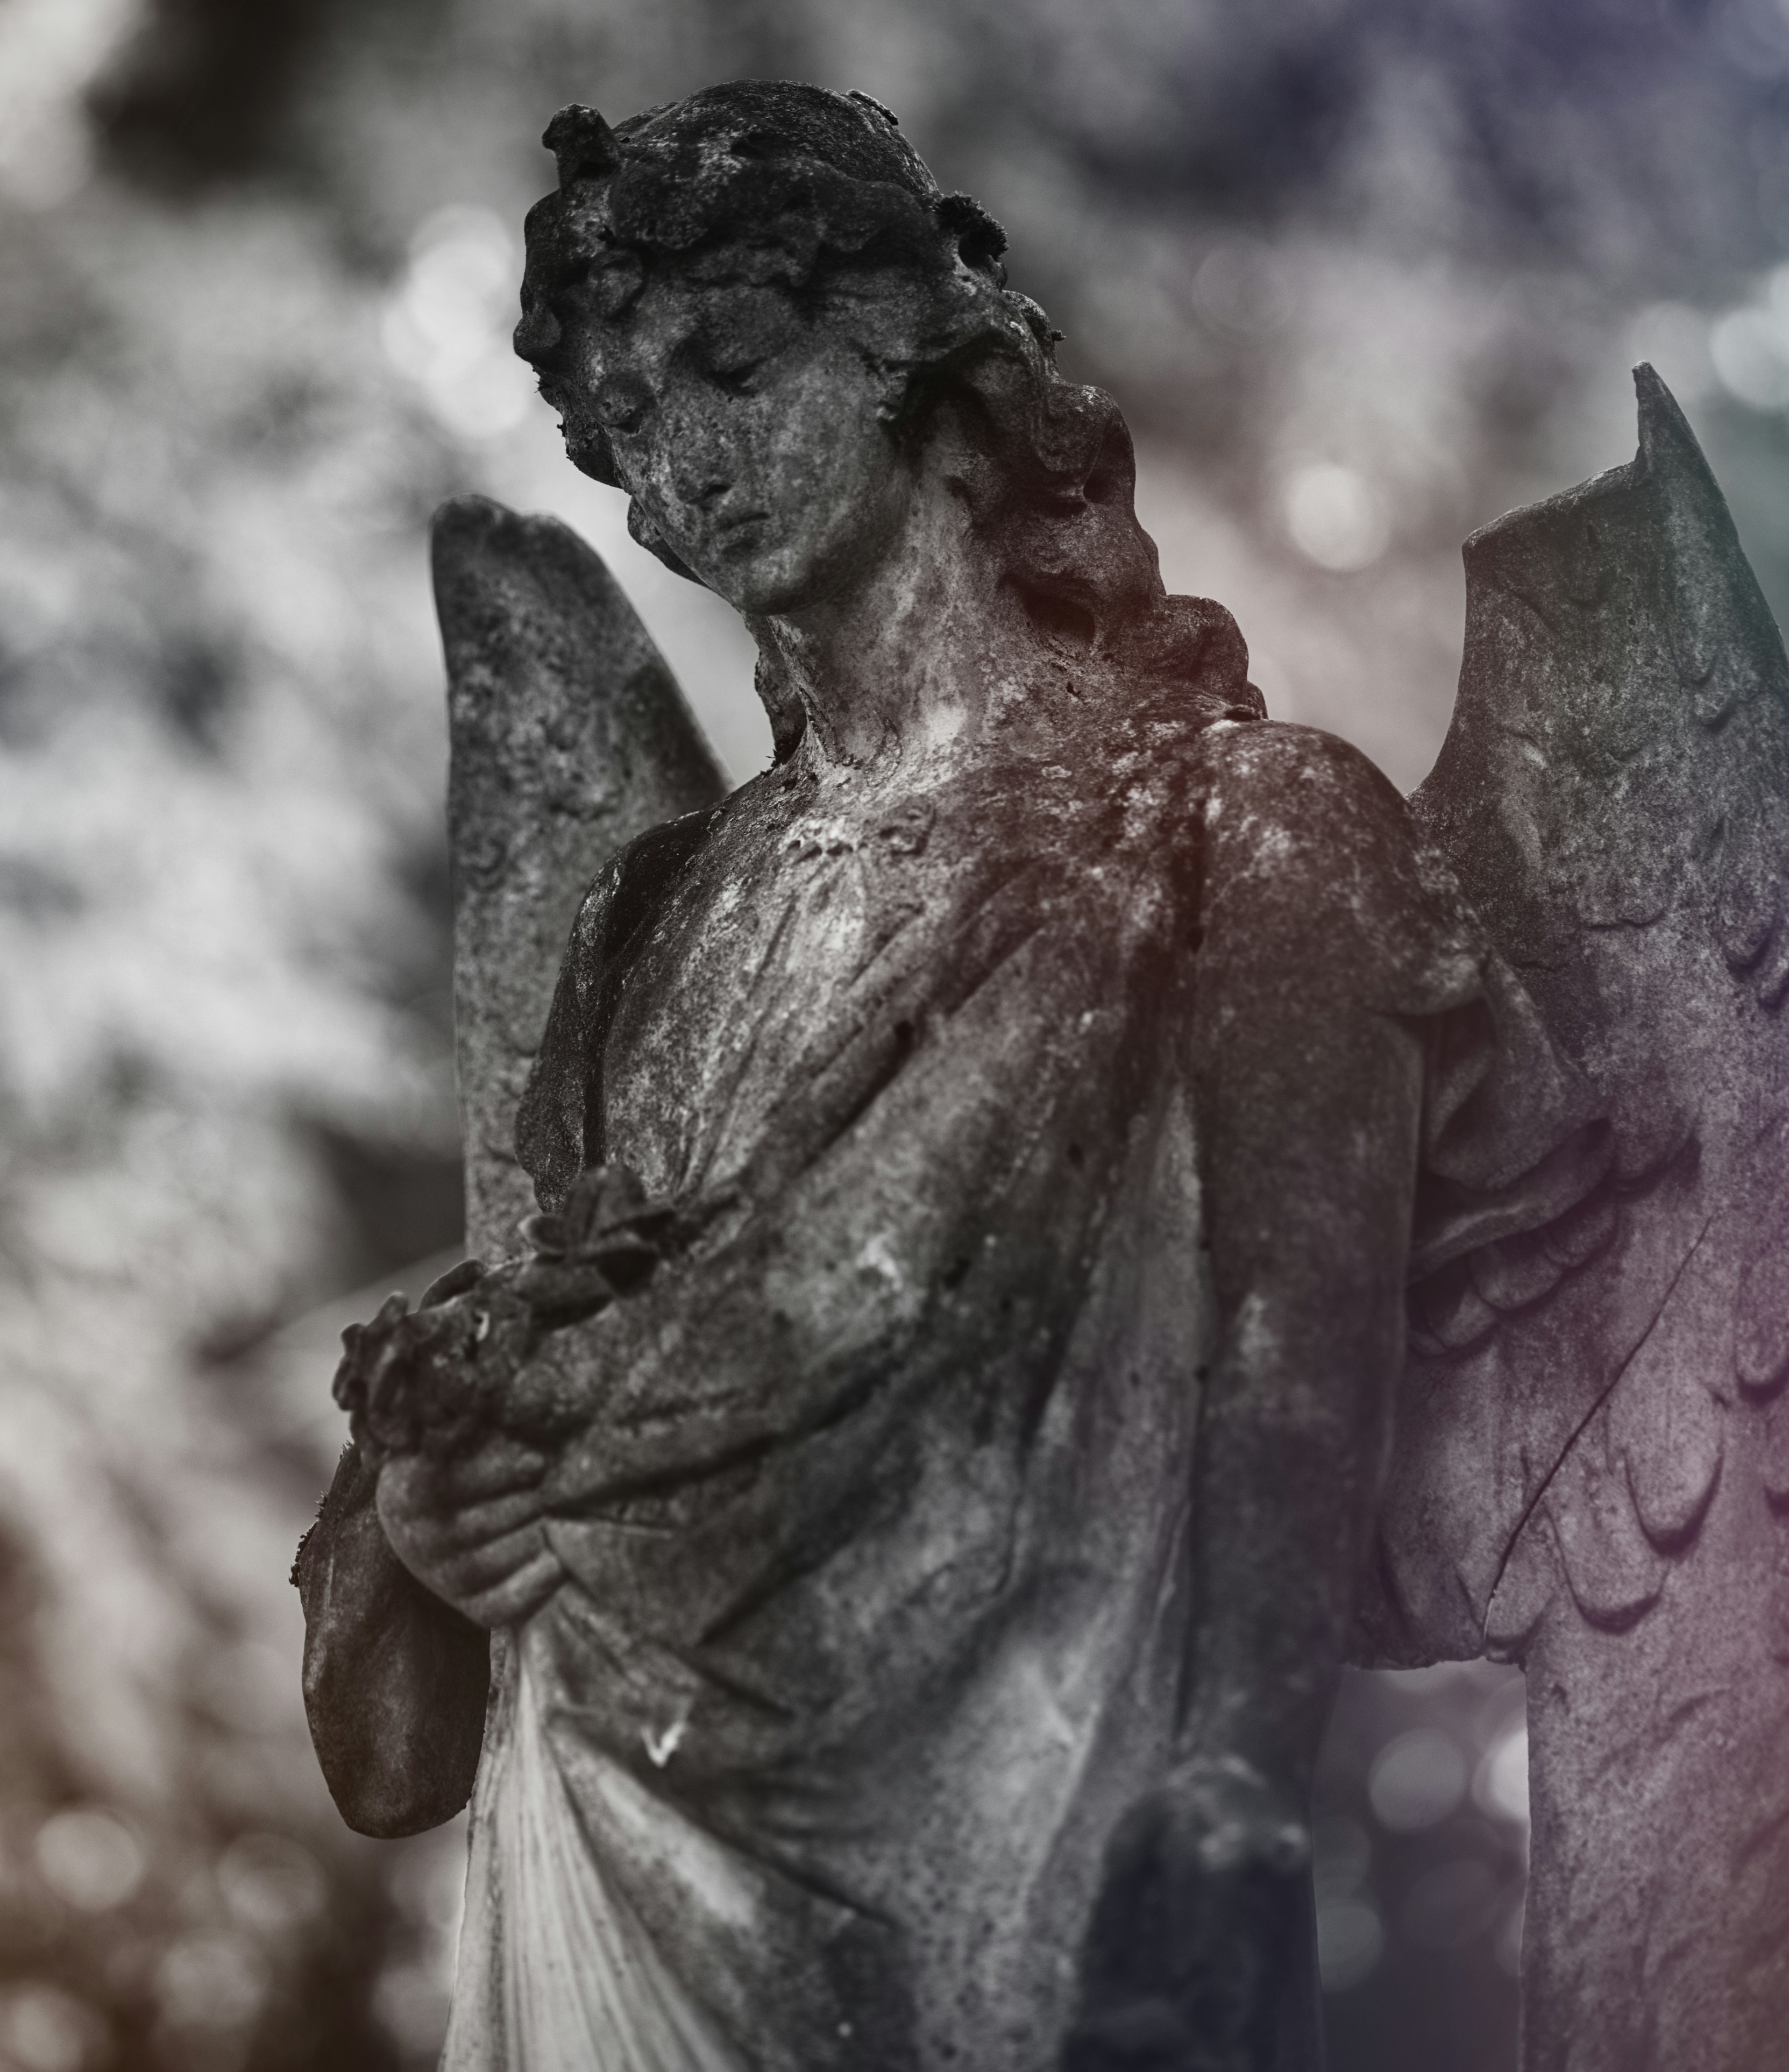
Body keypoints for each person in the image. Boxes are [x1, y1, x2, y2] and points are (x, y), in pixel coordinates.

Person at [310, 81, 1567, 2072]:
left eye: (734, 365)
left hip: (1028, 1862)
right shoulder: (652, 932)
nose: (684, 460)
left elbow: (1287, 1372)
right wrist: (427, 1516)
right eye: (627, 423)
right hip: (603, 1854)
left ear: (927, 370)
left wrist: (1231, 1794)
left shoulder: (1246, 835)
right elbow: (405, 1707)